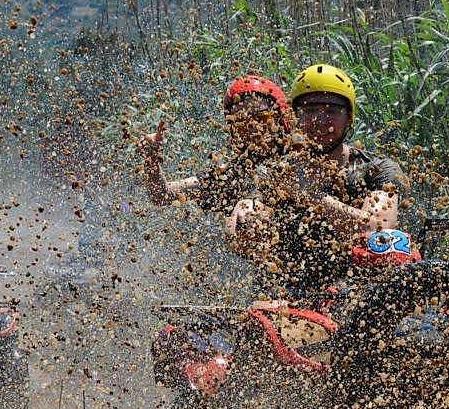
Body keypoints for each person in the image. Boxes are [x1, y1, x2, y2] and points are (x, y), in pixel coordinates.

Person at [226, 63, 408, 297]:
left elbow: (379, 230)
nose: (321, 120)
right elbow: (238, 231)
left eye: (332, 110)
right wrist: (247, 224)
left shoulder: (376, 170)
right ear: (294, 117)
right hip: (284, 296)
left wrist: (314, 198)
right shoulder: (276, 172)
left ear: (349, 117)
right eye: (310, 110)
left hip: (356, 298)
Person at [137, 75, 292, 216]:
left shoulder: (299, 162)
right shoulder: (229, 175)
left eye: (261, 119)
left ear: (281, 119)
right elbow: (162, 195)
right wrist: (151, 159)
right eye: (241, 124)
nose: (252, 130)